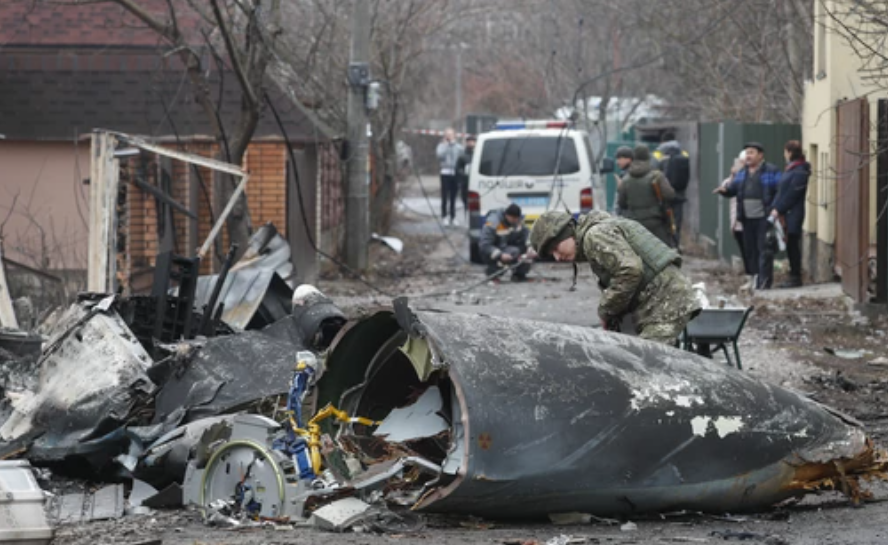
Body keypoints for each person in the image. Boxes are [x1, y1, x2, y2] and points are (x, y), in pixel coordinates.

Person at [529, 210, 700, 345]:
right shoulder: (598, 230)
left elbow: (630, 271)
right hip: (662, 301)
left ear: (566, 234)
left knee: (648, 369)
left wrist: (606, 309)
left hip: (666, 303)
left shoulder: (594, 235)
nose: (558, 257)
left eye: (556, 248)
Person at [714, 142, 782, 290]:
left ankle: (764, 283)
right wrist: (724, 190)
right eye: (747, 153)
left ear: (760, 155)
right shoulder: (742, 172)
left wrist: (774, 209)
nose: (748, 156)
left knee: (764, 250)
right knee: (750, 250)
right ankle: (754, 279)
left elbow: (780, 191)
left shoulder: (771, 170)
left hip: (764, 218)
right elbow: (733, 189)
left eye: (751, 152)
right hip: (746, 218)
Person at [617, 145, 676, 246]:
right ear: (648, 157)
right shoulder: (656, 176)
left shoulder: (626, 179)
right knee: (662, 251)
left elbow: (621, 203)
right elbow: (670, 195)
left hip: (634, 223)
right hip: (655, 222)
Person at [770, 140, 810, 288]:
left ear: (790, 152)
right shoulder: (792, 169)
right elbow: (782, 191)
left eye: (785, 151)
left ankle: (795, 276)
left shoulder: (800, 170)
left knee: (793, 244)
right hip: (786, 212)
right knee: (789, 244)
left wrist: (778, 208)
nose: (784, 155)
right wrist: (775, 207)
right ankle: (793, 275)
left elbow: (792, 193)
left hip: (793, 213)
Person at [719, 151, 754, 289]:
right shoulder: (734, 179)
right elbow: (727, 187)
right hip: (736, 221)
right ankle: (749, 277)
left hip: (749, 220)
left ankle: (754, 278)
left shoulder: (749, 177)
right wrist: (733, 176)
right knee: (744, 251)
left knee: (752, 251)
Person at [654, 135, 691, 248]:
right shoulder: (683, 155)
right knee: (677, 221)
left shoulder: (661, 155)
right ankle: (676, 244)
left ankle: (668, 244)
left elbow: (658, 174)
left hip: (666, 195)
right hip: (680, 194)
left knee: (665, 220)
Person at [479, 204, 532, 281]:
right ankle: (493, 272)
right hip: (494, 251)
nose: (515, 221)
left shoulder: (517, 221)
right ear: (507, 215)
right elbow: (484, 245)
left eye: (517, 218)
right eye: (513, 218)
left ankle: (519, 274)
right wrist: (500, 255)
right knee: (512, 253)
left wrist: (530, 247)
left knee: (524, 252)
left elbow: (526, 233)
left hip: (508, 248)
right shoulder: (493, 222)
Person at [436, 128, 463, 226]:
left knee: (453, 196)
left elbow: (461, 158)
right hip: (445, 172)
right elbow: (439, 156)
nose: (449, 136)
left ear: (454, 135)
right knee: (444, 196)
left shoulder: (459, 147)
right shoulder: (441, 146)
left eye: (451, 135)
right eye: (447, 135)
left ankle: (453, 216)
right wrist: (446, 146)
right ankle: (444, 216)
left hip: (455, 173)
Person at [455, 135, 476, 217]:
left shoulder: (479, 154)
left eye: (473, 141)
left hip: (476, 181)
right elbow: (458, 168)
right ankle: (467, 217)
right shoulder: (462, 156)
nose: (471, 143)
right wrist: (464, 174)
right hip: (465, 182)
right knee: (466, 201)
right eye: (469, 141)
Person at [612, 146, 634, 217]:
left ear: (628, 159)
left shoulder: (630, 174)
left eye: (619, 159)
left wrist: (620, 187)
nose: (617, 162)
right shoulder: (625, 173)